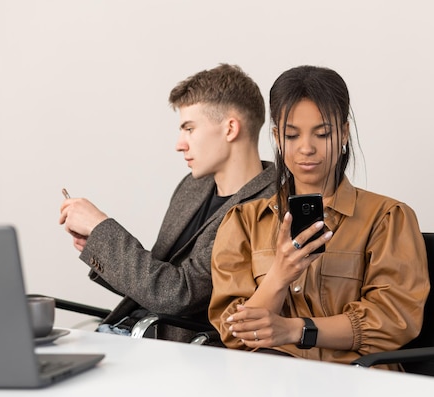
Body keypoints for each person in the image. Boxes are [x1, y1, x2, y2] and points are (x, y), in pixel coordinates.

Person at [208, 65, 430, 367]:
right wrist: (279, 276)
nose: (307, 148)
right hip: (269, 386)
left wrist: (296, 330)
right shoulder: (243, 222)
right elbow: (233, 334)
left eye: (322, 133)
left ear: (344, 133)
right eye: (292, 135)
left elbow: (393, 320)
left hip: (357, 386)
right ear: (276, 137)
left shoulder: (388, 218)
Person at [59, 64, 276, 343]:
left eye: (189, 128)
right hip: (128, 333)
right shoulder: (193, 186)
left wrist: (102, 229)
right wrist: (98, 244)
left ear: (230, 128)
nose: (179, 144)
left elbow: (178, 294)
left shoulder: (266, 205)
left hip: (169, 349)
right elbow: (158, 280)